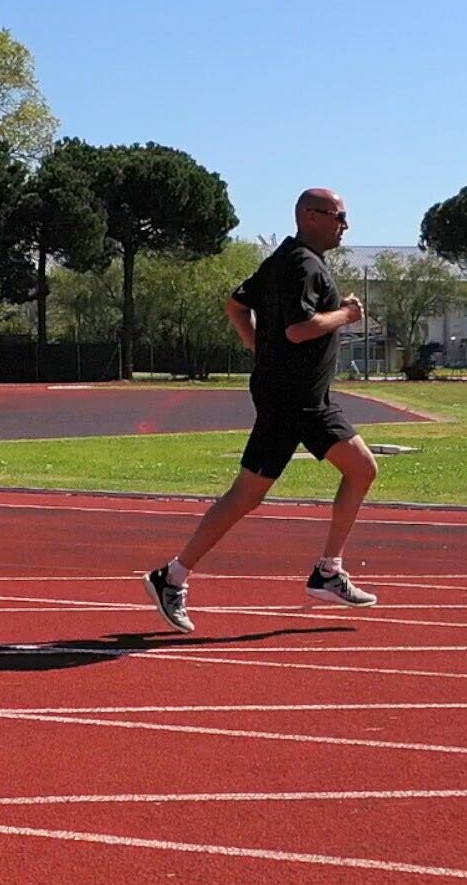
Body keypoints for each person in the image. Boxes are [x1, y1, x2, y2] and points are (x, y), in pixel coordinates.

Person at [143, 188, 379, 633]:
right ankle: (172, 576)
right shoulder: (303, 265)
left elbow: (236, 306)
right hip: (294, 401)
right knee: (255, 493)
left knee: (351, 471)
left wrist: (260, 350)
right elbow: (298, 329)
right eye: (339, 215)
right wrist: (345, 315)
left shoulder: (281, 261)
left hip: (301, 397)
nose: (345, 224)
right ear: (310, 216)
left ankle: (326, 570)